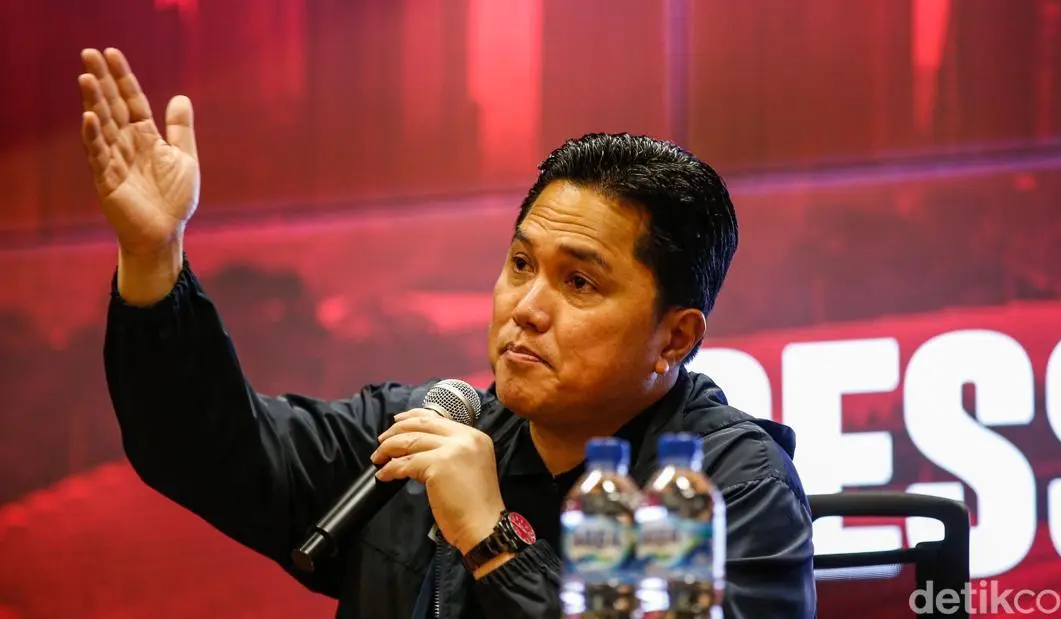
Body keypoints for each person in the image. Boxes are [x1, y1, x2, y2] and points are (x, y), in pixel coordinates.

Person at [77, 47, 817, 618]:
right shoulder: (422, 437)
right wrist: (154, 256)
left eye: (579, 283)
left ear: (675, 338)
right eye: (520, 264)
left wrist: (492, 537)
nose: (528, 307)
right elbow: (205, 447)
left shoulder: (723, 487)